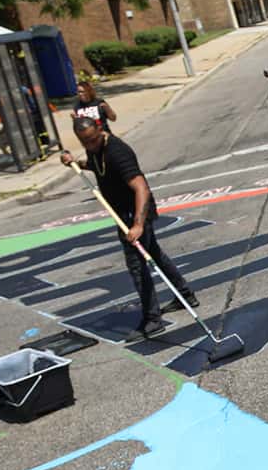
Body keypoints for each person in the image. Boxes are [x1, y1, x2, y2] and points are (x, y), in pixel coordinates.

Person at [59, 115, 196, 342]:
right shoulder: (97, 149)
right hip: (124, 212)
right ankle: (185, 294)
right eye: (85, 143)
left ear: (100, 129)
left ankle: (153, 319)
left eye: (92, 140)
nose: (90, 145)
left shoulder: (117, 151)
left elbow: (141, 188)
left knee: (137, 265)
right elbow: (97, 166)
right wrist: (74, 162)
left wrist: (138, 225)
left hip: (135, 213)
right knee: (155, 254)